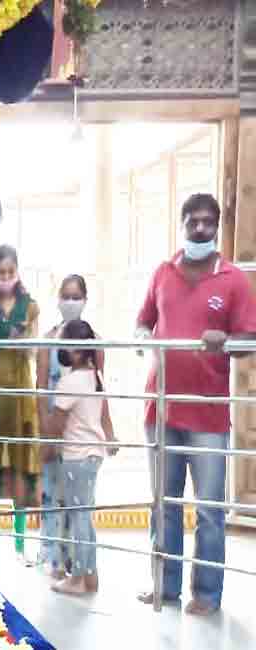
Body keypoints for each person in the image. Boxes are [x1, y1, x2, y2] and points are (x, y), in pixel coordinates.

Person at [134, 193, 256, 615]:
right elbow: (143, 321)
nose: (200, 229)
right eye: (193, 222)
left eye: (208, 222)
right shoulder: (163, 273)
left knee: (209, 510)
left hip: (207, 415)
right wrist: (141, 339)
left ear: (217, 227)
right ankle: (163, 588)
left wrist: (228, 341)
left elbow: (249, 340)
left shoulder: (234, 280)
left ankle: (206, 594)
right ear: (182, 224)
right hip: (161, 409)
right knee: (163, 504)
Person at [34, 274, 107, 580]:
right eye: (66, 295)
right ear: (58, 299)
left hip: (81, 436)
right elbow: (39, 389)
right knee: (53, 495)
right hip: (54, 428)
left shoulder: (94, 343)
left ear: (85, 299)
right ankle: (54, 560)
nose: (71, 302)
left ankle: (80, 565)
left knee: (80, 503)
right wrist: (45, 436)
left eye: (76, 296)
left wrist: (107, 430)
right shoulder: (48, 341)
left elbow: (100, 391)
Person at [41, 319, 118, 595]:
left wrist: (39, 411)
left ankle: (79, 579)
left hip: (76, 456)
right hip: (92, 454)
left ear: (76, 350)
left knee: (80, 518)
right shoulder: (93, 377)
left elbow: (56, 424)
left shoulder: (70, 381)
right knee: (84, 516)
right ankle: (90, 576)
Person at [0, 245, 41, 517]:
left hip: (20, 387)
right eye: (1, 272)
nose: (6, 276)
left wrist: (20, 340)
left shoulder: (30, 307)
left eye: (10, 271)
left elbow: (33, 351)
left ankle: (21, 540)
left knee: (21, 463)